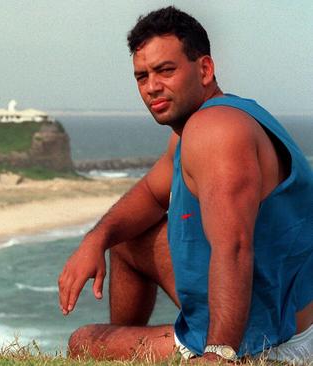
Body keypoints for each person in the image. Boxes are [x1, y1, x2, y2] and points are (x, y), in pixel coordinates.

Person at [58, 6, 312, 363]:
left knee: (83, 342)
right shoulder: (206, 124)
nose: (152, 87)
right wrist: (95, 239)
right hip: (275, 307)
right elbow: (150, 194)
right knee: (129, 239)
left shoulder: (216, 131)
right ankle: (133, 349)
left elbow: (234, 247)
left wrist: (218, 353)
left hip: (271, 343)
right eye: (142, 76)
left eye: (166, 71)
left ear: (205, 69)